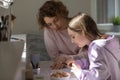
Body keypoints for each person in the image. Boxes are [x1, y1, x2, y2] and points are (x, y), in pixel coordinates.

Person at [37, 0, 89, 69]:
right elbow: (54, 57)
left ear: (63, 14)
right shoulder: (49, 30)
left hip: (85, 64)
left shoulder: (79, 24)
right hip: (66, 66)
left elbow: (90, 53)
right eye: (50, 24)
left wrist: (66, 57)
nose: (55, 26)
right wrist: (65, 59)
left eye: (56, 20)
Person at [67, 12, 120, 80]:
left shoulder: (97, 48)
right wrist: (79, 63)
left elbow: (97, 77)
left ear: (83, 32)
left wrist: (79, 72)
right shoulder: (105, 44)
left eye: (73, 37)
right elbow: (99, 64)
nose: (72, 41)